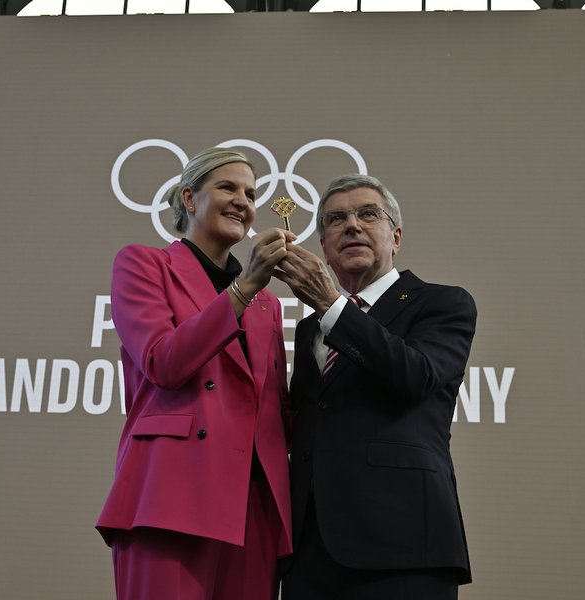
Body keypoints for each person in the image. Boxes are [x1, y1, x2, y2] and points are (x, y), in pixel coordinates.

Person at [96, 147, 295, 600]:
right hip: (172, 497)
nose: (243, 201)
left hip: (254, 510)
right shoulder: (144, 264)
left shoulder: (269, 304)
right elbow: (164, 361)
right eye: (227, 187)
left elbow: (277, 409)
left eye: (251, 192)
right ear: (189, 198)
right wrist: (244, 288)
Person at [273, 174, 476, 600]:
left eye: (368, 214)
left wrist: (332, 304)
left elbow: (415, 374)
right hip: (309, 553)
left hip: (401, 547)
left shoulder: (442, 303)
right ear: (324, 247)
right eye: (335, 219)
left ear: (396, 237)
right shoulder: (311, 326)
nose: (351, 225)